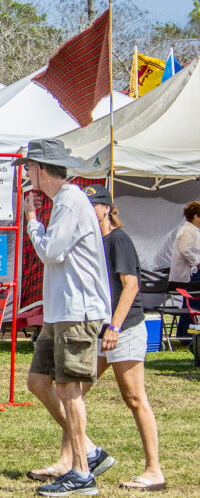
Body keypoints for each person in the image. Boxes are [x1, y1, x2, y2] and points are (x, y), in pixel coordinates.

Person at [19, 139, 113, 497]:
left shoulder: (71, 201)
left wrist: (31, 221)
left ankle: (82, 473)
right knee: (39, 382)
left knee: (69, 389)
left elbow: (50, 252)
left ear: (41, 169)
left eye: (29, 168)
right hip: (61, 311)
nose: (27, 174)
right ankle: (87, 450)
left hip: (78, 309)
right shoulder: (65, 202)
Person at [83, 185, 165, 491]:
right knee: (73, 392)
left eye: (93, 207)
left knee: (133, 397)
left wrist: (115, 328)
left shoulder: (118, 239)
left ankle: (154, 470)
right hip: (101, 331)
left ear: (106, 209)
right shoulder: (94, 242)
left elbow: (130, 286)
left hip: (124, 329)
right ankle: (77, 458)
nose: (89, 213)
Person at [170, 201, 200, 340]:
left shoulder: (193, 230)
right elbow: (185, 250)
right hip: (189, 274)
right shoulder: (188, 230)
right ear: (196, 216)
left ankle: (185, 334)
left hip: (192, 272)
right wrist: (197, 263)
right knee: (193, 305)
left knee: (191, 305)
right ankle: (188, 335)